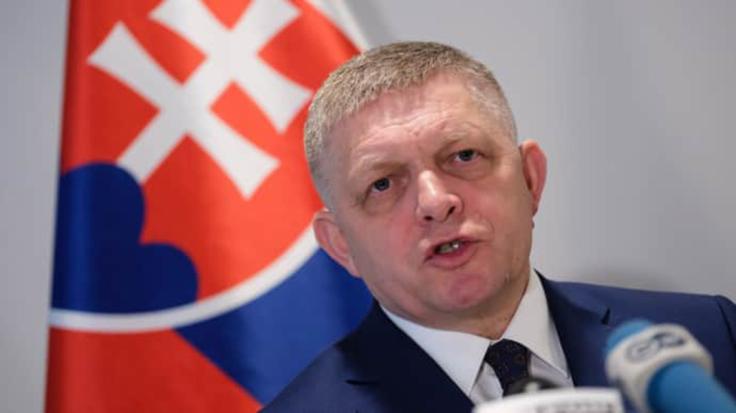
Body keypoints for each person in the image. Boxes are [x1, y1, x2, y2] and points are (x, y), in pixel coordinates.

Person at [262, 41, 736, 412]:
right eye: (382, 184)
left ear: (530, 179)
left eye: (463, 156)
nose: (436, 202)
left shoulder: (711, 336)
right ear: (341, 245)